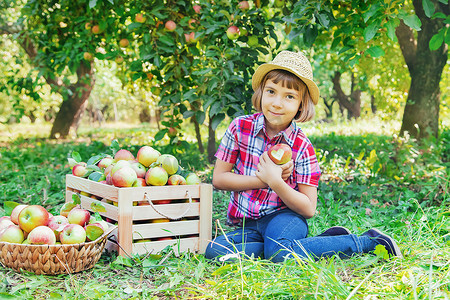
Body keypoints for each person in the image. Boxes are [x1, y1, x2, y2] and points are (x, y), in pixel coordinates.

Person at [205, 50, 402, 263]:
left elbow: (308, 208)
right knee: (214, 250)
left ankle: (370, 242)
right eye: (271, 91)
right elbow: (219, 178)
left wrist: (276, 182)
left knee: (280, 255)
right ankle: (318, 244)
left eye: (289, 96)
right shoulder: (239, 127)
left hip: (285, 218)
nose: (277, 103)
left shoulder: (301, 145)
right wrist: (263, 181)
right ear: (261, 92)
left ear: (301, 104)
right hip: (247, 224)